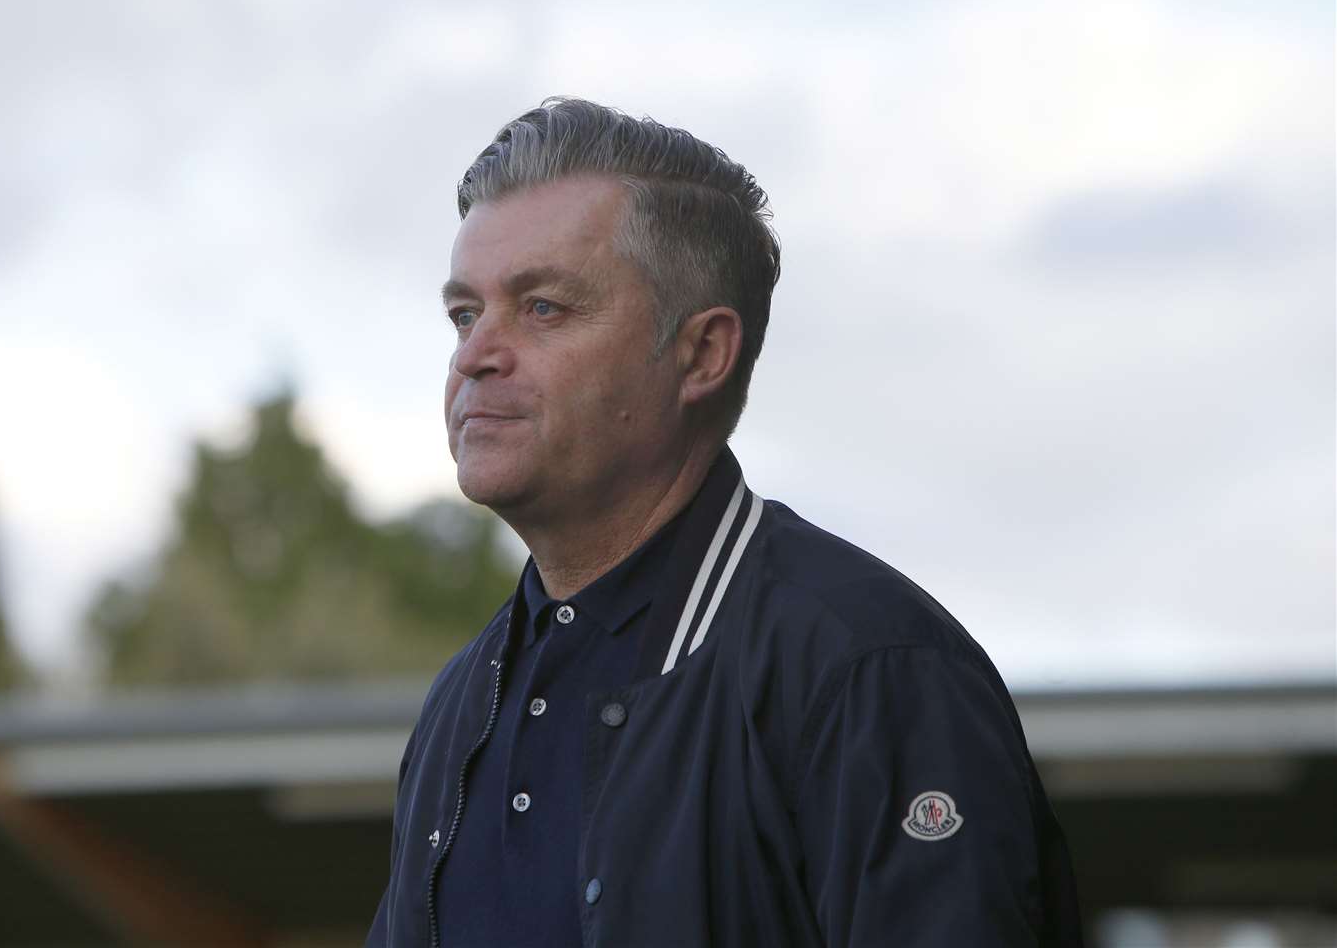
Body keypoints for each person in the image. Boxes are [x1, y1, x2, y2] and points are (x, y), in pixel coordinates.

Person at [367, 98, 1082, 947]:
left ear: (703, 353)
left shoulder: (868, 670)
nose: (475, 354)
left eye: (544, 307)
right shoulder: (463, 701)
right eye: (463, 313)